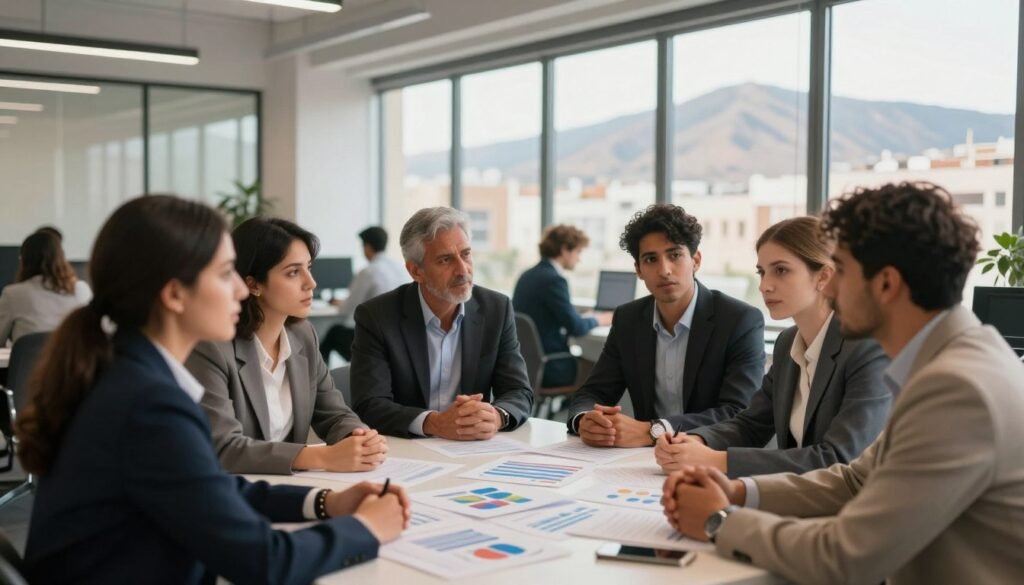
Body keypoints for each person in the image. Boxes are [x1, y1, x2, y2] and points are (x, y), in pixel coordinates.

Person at [16, 195, 410, 584]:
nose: (241, 289)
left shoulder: (129, 372)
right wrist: (367, 529)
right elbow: (265, 562)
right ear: (174, 294)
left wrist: (325, 502)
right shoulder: (147, 404)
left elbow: (209, 487)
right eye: (225, 274)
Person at [662, 182, 1024, 585]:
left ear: (886, 284)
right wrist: (738, 493)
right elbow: (855, 479)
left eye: (843, 272)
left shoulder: (959, 388)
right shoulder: (951, 362)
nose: (830, 287)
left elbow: (846, 556)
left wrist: (719, 521)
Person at [655, 217, 890, 478]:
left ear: (823, 276)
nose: (764, 285)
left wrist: (717, 460)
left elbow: (838, 458)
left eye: (781, 270)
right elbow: (751, 424)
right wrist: (697, 442)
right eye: (762, 271)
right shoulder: (788, 343)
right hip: (798, 498)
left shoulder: (868, 348)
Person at [186, 217, 387, 475]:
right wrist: (322, 457)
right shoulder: (212, 347)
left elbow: (334, 414)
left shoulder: (302, 335)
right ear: (252, 284)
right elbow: (224, 448)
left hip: (290, 487)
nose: (311, 283)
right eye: (293, 272)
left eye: (309, 268)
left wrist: (358, 438)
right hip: (235, 490)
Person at [566, 203, 765, 447]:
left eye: (674, 255)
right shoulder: (628, 319)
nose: (664, 270)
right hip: (645, 462)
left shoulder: (739, 321)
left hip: (711, 459)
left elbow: (737, 412)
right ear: (638, 270)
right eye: (651, 259)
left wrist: (654, 430)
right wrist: (586, 419)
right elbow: (593, 393)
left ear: (696, 260)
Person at [350, 207, 534, 439]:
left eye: (466, 254)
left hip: (473, 448)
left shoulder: (496, 309)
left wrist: (496, 416)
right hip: (406, 450)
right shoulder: (377, 316)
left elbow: (518, 391)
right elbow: (370, 404)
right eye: (445, 260)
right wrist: (434, 423)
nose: (462, 270)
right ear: (416, 271)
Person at [512, 224, 612, 388]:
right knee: (602, 368)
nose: (579, 258)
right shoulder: (554, 280)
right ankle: (583, 413)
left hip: (527, 363)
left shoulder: (528, 275)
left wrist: (582, 317)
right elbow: (576, 327)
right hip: (551, 366)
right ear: (565, 249)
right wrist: (601, 319)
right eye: (578, 252)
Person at [320, 226, 407, 363]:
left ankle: (320, 381)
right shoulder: (400, 268)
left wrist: (339, 303)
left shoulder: (368, 272)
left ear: (367, 247)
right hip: (398, 339)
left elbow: (348, 309)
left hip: (373, 341)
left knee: (333, 332)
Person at [0, 230, 92, 345]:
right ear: (62, 258)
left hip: (29, 362)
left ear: (23, 260)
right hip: (71, 362)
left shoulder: (13, 294)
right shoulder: (82, 290)